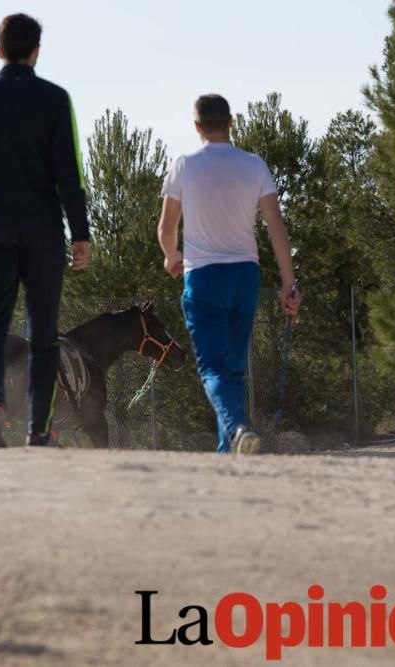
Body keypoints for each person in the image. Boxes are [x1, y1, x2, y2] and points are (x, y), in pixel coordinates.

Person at [0, 13, 91, 448]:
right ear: (36, 52)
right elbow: (71, 174)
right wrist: (80, 232)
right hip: (43, 232)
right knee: (43, 333)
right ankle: (37, 429)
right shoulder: (56, 100)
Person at [158, 94, 301, 454]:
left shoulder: (184, 165)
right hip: (245, 275)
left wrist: (170, 255)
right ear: (231, 121)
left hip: (204, 276)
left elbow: (166, 226)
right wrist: (289, 283)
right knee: (234, 367)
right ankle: (230, 451)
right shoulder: (254, 165)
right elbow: (276, 226)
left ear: (196, 126)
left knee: (213, 369)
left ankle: (237, 429)